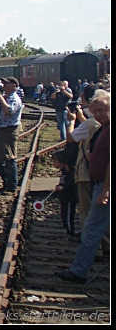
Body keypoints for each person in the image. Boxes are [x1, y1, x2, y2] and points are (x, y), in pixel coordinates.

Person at [56, 90, 110, 284]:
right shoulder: (103, 128)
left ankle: (79, 271)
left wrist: (105, 190)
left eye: (102, 110)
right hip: (99, 183)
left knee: (92, 229)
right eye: (94, 111)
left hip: (104, 186)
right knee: (95, 228)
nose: (98, 114)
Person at [0, 78, 23, 193]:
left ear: (13, 86)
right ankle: (6, 181)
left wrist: (1, 98)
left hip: (9, 130)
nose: (3, 85)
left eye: (6, 84)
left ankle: (11, 185)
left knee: (9, 157)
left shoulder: (14, 98)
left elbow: (9, 111)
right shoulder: (6, 97)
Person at [52, 149, 78, 238]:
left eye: (55, 161)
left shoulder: (69, 171)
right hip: (64, 197)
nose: (53, 163)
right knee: (64, 215)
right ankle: (68, 231)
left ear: (62, 162)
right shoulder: (63, 171)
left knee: (68, 216)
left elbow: (72, 182)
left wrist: (63, 187)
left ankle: (71, 233)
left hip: (69, 197)